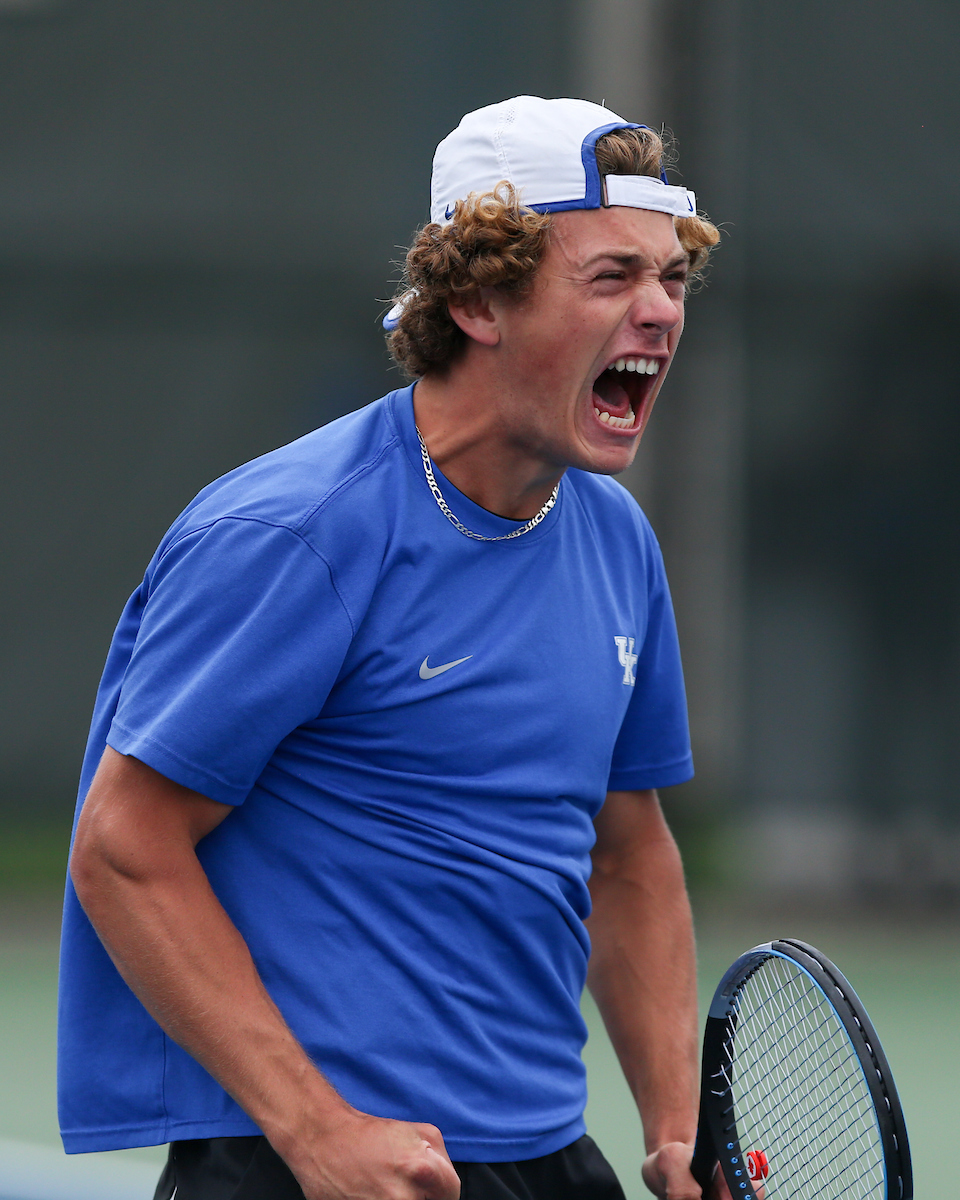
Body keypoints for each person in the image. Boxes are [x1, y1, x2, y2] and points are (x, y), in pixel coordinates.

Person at [59, 95, 723, 1200]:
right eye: (612, 277)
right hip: (308, 1165)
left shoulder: (617, 539)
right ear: (476, 300)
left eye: (671, 279)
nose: (659, 311)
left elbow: (628, 853)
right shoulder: (297, 536)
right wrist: (316, 1131)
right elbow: (125, 846)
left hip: (544, 1157)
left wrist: (671, 1120)